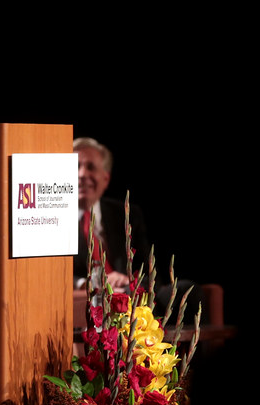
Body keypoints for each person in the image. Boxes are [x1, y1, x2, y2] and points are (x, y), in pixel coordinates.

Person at [74, 136, 201, 320]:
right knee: (134, 299)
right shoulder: (53, 219)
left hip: (133, 288)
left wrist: (130, 280)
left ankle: (190, 348)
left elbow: (145, 265)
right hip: (96, 297)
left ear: (105, 178)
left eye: (90, 167)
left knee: (188, 291)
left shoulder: (126, 213)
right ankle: (146, 345)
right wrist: (91, 282)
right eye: (75, 167)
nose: (81, 174)